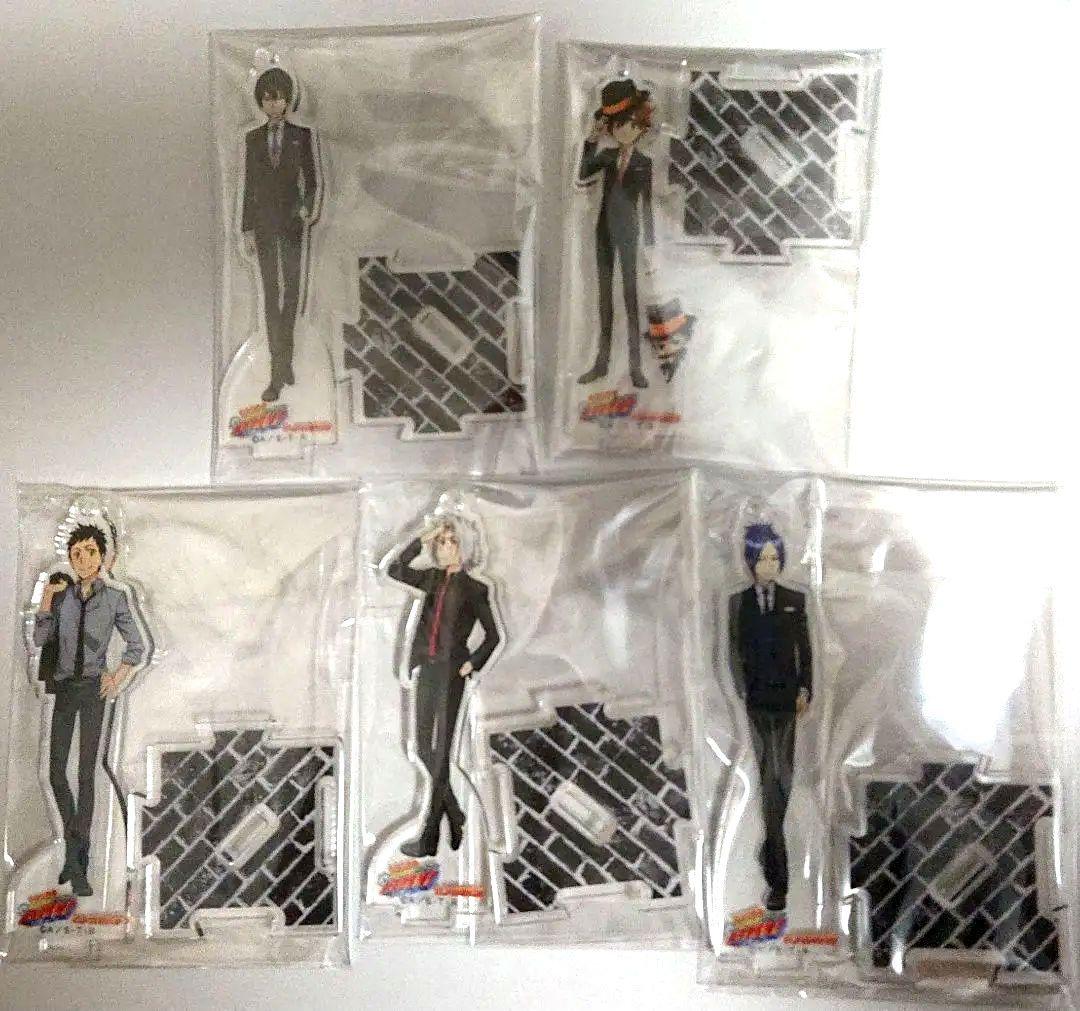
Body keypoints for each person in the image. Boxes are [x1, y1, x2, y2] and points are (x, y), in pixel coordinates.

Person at [33, 523, 147, 897]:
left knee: (85, 773)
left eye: (90, 552)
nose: (83, 560)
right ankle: (74, 847)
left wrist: (117, 677)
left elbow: (137, 645)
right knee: (54, 772)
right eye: (77, 554)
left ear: (103, 557)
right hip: (65, 689)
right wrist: (46, 598)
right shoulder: (62, 597)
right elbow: (40, 638)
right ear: (69, 558)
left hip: (94, 691)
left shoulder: (114, 598)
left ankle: (79, 865)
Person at [385, 519, 501, 857]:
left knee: (441, 754)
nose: (444, 546)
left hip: (453, 671)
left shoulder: (476, 589)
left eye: (451, 541)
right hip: (427, 669)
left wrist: (473, 663)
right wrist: (424, 537)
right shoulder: (432, 579)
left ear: (463, 547)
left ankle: (429, 837)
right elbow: (394, 569)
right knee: (423, 748)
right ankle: (454, 811)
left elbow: (493, 636)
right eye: (441, 541)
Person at [727, 523, 812, 912]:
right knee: (768, 780)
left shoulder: (795, 599)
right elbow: (734, 651)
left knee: (782, 779)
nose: (769, 565)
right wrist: (742, 690)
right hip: (757, 701)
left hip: (788, 700)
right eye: (762, 559)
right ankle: (779, 880)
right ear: (750, 562)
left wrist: (805, 688)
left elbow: (804, 650)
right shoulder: (738, 602)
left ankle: (771, 847)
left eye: (775, 558)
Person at [240, 67, 321, 403]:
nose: (274, 104)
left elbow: (312, 179)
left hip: (291, 223)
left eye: (279, 98)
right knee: (271, 293)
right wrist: (246, 228)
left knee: (293, 292)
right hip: (263, 223)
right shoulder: (253, 138)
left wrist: (307, 209)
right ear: (261, 102)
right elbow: (249, 185)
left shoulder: (302, 135)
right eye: (268, 99)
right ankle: (277, 370)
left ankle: (285, 359)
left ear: (289, 100)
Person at [577, 78, 655, 390]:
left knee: (631, 300)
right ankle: (601, 363)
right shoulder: (608, 157)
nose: (625, 131)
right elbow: (583, 172)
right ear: (611, 127)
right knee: (604, 300)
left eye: (632, 125)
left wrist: (651, 246)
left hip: (630, 234)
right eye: (619, 125)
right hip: (604, 231)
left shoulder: (644, 163)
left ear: (641, 126)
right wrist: (592, 138)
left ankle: (635, 367)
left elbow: (647, 204)